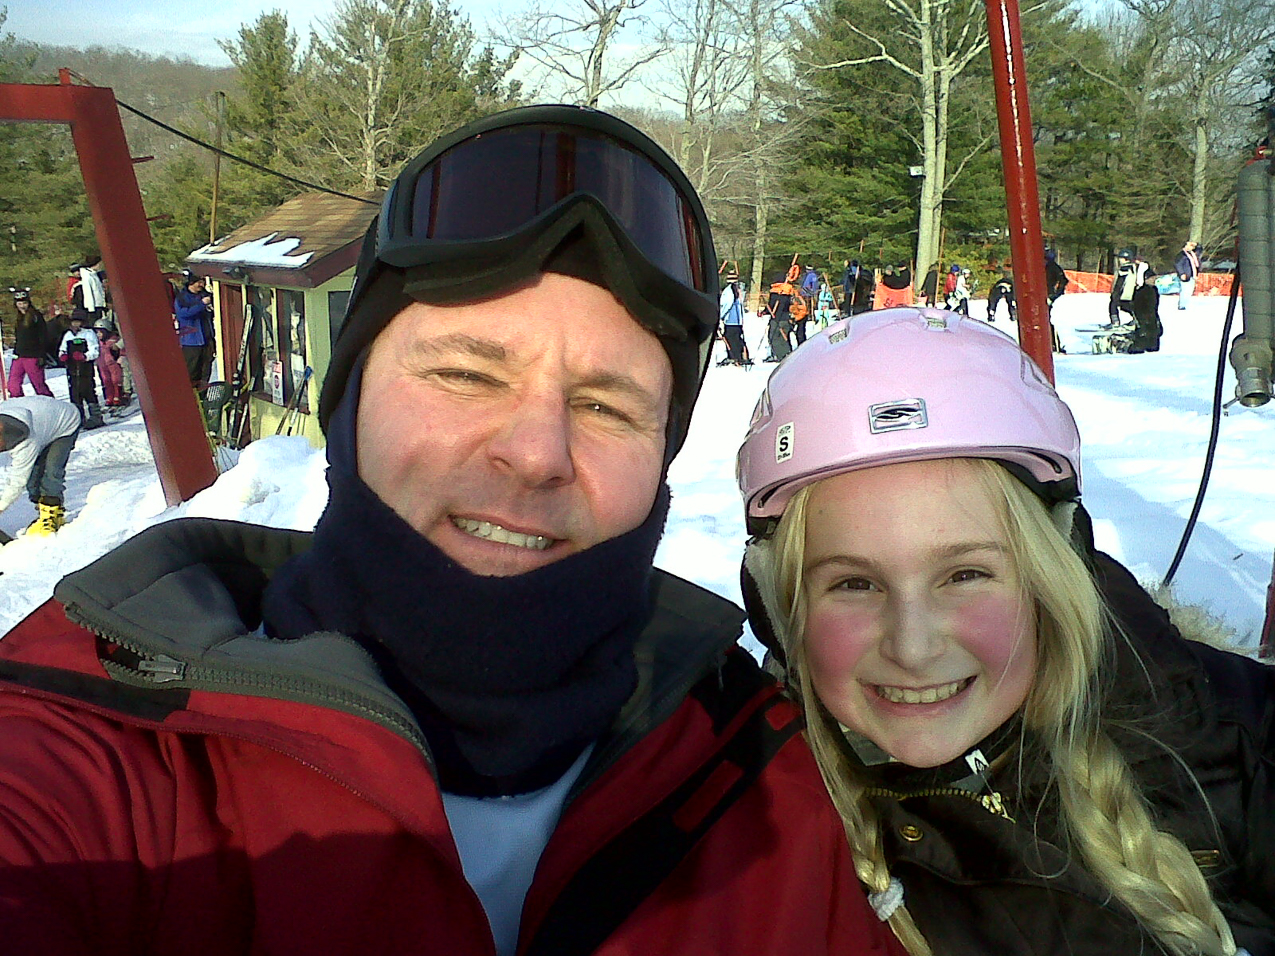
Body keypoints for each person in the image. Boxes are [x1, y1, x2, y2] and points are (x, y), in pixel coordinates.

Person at [0, 106, 903, 956]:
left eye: (604, 404)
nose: (536, 452)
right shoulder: (98, 767)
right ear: (347, 403)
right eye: (467, 375)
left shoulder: (778, 793)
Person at [736, 307, 1274, 956]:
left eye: (963, 574)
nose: (913, 647)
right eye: (854, 584)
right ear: (779, 608)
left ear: (1052, 572)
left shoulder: (1227, 740)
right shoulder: (753, 841)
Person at [0, 395, 81, 537]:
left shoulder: (24, 442)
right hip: (43, 420)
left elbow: (18, 480)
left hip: (66, 422)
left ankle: (52, 516)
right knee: (33, 480)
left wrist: (1, 507)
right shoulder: (4, 420)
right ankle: (43, 508)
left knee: (52, 472)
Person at [56, 313, 105, 429]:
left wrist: (85, 356)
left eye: (78, 322)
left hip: (85, 368)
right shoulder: (67, 335)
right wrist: (63, 355)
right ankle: (79, 417)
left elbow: (95, 350)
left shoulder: (88, 334)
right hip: (72, 369)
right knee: (75, 392)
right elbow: (62, 349)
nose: (75, 324)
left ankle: (96, 416)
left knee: (88, 390)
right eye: (73, 322)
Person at [1109, 249, 1161, 352]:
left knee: (1142, 320)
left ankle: (1140, 344)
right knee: (1150, 318)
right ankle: (1152, 343)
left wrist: (1115, 298)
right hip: (1148, 295)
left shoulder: (1128, 269)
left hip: (1135, 296)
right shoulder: (1144, 269)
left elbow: (1120, 285)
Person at [6, 288, 55, 398]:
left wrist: (42, 355)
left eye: (24, 303)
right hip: (19, 355)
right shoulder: (19, 317)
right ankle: (19, 404)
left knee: (38, 385)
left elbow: (43, 336)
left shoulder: (35, 316)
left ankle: (49, 404)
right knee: (13, 385)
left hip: (33, 355)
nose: (22, 306)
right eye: (19, 303)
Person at [174, 271, 215, 387]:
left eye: (202, 281)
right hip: (190, 341)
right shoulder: (182, 298)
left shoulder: (205, 295)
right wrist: (202, 304)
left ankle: (202, 394)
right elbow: (183, 313)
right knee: (191, 372)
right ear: (191, 283)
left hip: (207, 339)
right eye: (199, 282)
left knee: (206, 370)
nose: (201, 285)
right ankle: (190, 395)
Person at [718, 269, 749, 366]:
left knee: (731, 338)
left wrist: (721, 315)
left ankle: (735, 356)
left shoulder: (729, 291)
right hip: (738, 320)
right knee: (737, 338)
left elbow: (727, 304)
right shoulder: (740, 289)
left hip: (731, 319)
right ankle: (742, 355)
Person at [1175, 239, 1202, 310]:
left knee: (1189, 291)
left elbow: (1200, 249)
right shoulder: (1181, 255)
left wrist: (1196, 244)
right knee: (1185, 291)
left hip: (1192, 275)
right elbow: (1178, 265)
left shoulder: (1192, 254)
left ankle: (1184, 304)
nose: (1191, 247)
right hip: (1186, 275)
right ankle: (1182, 305)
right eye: (1189, 245)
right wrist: (1182, 273)